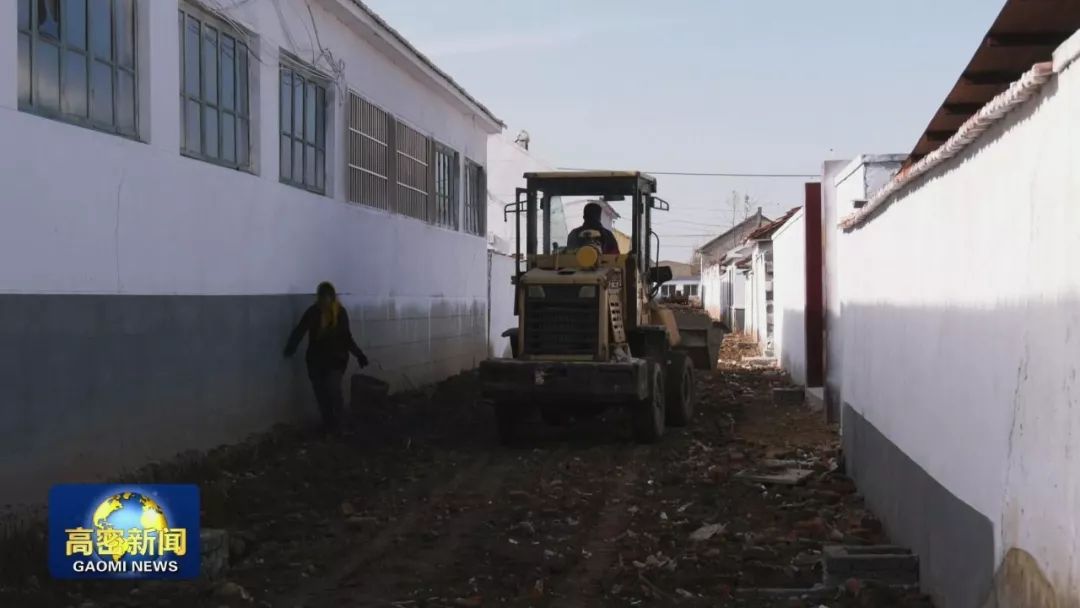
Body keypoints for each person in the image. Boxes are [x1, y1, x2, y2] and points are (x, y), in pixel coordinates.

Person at [283, 282, 368, 432]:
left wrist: (359, 355)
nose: (324, 301)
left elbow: (346, 337)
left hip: (336, 360)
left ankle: (340, 423)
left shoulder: (340, 313)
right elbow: (300, 329)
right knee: (321, 394)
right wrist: (292, 346)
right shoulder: (314, 312)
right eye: (321, 298)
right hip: (316, 360)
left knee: (333, 389)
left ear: (332, 298)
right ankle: (329, 424)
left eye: (327, 298)